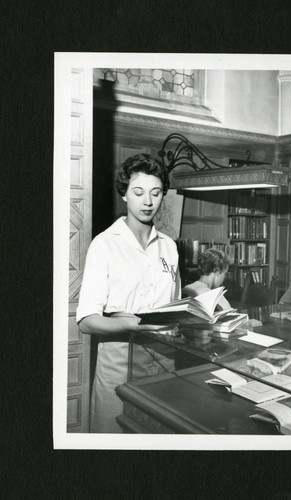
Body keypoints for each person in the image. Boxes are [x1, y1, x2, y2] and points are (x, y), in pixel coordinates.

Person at [76, 153, 181, 433]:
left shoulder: (169, 246)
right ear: (125, 194)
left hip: (162, 358)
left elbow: (175, 307)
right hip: (118, 361)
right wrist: (133, 323)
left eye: (155, 193)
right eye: (138, 192)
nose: (148, 201)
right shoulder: (105, 244)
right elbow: (86, 320)